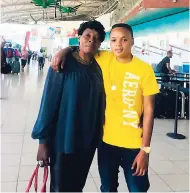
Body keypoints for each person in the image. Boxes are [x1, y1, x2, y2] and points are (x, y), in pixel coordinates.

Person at [51, 23, 159, 192]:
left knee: (138, 189)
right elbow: (83, 46)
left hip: (134, 145)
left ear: (132, 41)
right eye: (114, 40)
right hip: (106, 143)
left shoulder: (144, 69)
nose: (118, 44)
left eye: (124, 40)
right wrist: (63, 50)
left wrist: (145, 150)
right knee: (108, 188)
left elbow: (149, 112)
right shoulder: (104, 58)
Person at [31, 20, 106, 192]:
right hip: (63, 140)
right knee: (60, 188)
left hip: (87, 142)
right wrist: (43, 141)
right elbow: (48, 103)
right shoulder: (62, 64)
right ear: (79, 37)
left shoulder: (97, 68)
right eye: (87, 35)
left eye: (96, 38)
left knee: (77, 187)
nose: (91, 40)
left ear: (100, 43)